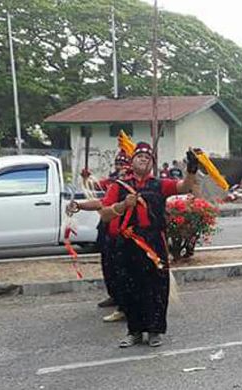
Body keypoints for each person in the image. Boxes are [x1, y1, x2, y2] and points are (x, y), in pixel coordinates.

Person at [99, 142, 198, 348]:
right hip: (128, 242)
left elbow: (184, 186)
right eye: (139, 156)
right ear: (131, 161)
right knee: (130, 286)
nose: (144, 159)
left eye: (148, 158)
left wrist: (191, 169)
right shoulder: (119, 186)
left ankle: (154, 330)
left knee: (156, 286)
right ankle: (134, 331)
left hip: (153, 241)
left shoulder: (159, 184)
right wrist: (123, 205)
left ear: (152, 164)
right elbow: (105, 213)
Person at [69, 151, 132, 322]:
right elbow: (94, 187)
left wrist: (80, 205)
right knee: (108, 266)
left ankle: (125, 306)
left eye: (124, 166)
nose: (120, 169)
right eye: (118, 165)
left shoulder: (132, 187)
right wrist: (86, 179)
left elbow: (100, 204)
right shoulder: (114, 183)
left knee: (123, 272)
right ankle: (115, 297)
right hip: (108, 230)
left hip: (124, 233)